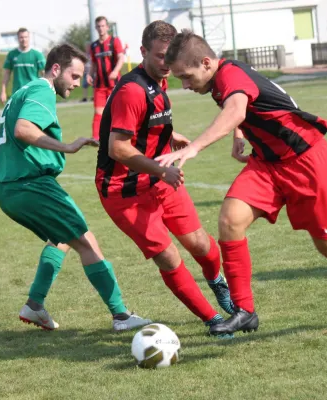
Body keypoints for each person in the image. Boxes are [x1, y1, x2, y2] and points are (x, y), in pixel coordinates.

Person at [157, 30, 327, 336]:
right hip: (268, 165)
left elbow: (236, 108)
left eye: (186, 77)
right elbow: (247, 105)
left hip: (306, 162)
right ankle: (245, 311)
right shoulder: (221, 78)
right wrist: (240, 135)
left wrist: (195, 147)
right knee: (230, 219)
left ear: (205, 63)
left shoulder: (229, 75)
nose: (185, 85)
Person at [0, 43, 151, 332]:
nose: (78, 84)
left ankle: (35, 305)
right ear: (56, 69)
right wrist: (66, 146)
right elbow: (24, 129)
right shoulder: (42, 90)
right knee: (87, 241)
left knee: (63, 238)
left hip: (7, 188)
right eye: (74, 76)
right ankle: (121, 316)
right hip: (31, 184)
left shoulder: (24, 91)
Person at [96, 21, 235, 338]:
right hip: (124, 193)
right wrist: (161, 169)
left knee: (200, 244)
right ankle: (213, 319)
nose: (167, 63)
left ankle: (216, 282)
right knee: (169, 255)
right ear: (143, 52)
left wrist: (171, 135)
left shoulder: (159, 82)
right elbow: (117, 148)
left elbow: (147, 120)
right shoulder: (132, 90)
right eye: (160, 56)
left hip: (159, 182)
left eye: (171, 56)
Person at [87, 16, 124, 140]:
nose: (101, 28)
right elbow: (93, 63)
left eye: (103, 26)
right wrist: (89, 74)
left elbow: (121, 58)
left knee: (118, 110)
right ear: (96, 28)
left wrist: (115, 71)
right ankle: (96, 138)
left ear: (107, 27)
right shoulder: (94, 46)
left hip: (114, 84)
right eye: (98, 26)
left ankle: (123, 134)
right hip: (100, 85)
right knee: (98, 112)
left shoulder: (114, 41)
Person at [0, 28, 45, 104]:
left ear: (29, 38)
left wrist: (45, 90)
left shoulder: (37, 55)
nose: (24, 39)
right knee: (17, 115)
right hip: (17, 93)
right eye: (21, 37)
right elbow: (7, 74)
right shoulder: (12, 54)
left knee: (31, 115)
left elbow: (45, 74)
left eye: (26, 37)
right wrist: (3, 91)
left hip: (33, 92)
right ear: (17, 38)